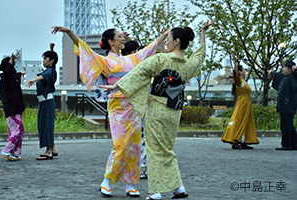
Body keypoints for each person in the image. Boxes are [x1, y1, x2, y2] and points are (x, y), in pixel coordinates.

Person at [98, 19, 215, 200]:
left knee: (153, 151)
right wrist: (203, 33)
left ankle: (155, 192)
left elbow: (139, 73)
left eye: (168, 38)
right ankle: (179, 188)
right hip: (175, 111)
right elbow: (201, 55)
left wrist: (117, 86)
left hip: (158, 109)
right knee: (167, 149)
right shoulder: (189, 64)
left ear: (176, 41)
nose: (166, 42)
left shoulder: (160, 59)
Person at [51, 26, 169, 198]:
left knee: (134, 146)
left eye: (123, 36)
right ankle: (107, 180)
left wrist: (162, 36)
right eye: (119, 37)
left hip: (134, 106)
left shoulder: (132, 59)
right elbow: (85, 50)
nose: (123, 39)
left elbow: (149, 49)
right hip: (117, 107)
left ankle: (131, 184)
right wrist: (69, 32)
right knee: (120, 144)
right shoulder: (105, 61)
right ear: (110, 42)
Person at [26, 43, 59, 160]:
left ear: (51, 61)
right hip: (45, 102)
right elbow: (51, 66)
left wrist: (34, 79)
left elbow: (45, 76)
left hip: (47, 102)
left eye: (45, 59)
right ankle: (52, 148)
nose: (43, 61)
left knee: (45, 126)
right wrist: (52, 50)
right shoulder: (52, 69)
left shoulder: (50, 71)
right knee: (46, 125)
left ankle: (48, 151)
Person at [221, 54, 259, 149]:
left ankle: (244, 141)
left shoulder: (244, 81)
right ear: (240, 72)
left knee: (246, 122)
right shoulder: (238, 81)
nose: (245, 71)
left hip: (247, 104)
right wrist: (235, 62)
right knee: (239, 121)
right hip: (242, 104)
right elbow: (235, 74)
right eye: (244, 70)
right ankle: (235, 141)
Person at [0, 52, 26, 161]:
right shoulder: (5, 77)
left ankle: (15, 152)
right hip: (12, 107)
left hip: (14, 107)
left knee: (17, 130)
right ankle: (6, 150)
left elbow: (13, 75)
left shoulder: (8, 78)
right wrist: (11, 60)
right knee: (18, 129)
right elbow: (9, 73)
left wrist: (20, 74)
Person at [268, 60, 297, 150]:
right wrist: (271, 72)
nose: (283, 69)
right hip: (284, 105)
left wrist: (295, 70)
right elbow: (277, 75)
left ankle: (286, 144)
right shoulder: (284, 77)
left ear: (290, 69)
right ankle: (294, 144)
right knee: (289, 125)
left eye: (284, 68)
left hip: (288, 105)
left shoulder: (293, 77)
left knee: (286, 125)